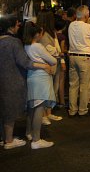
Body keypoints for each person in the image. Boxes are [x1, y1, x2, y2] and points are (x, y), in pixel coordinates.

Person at [0, 16, 52, 149]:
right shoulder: (14, 42)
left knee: (4, 109)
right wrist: (43, 66)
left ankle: (5, 138)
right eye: (17, 25)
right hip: (12, 80)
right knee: (10, 111)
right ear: (11, 26)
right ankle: (9, 141)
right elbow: (24, 62)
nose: (18, 28)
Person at [23, 21, 57, 149]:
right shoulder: (37, 46)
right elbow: (53, 60)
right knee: (39, 108)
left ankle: (29, 133)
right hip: (41, 78)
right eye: (41, 32)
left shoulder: (26, 46)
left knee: (32, 107)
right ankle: (36, 140)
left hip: (31, 77)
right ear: (37, 34)